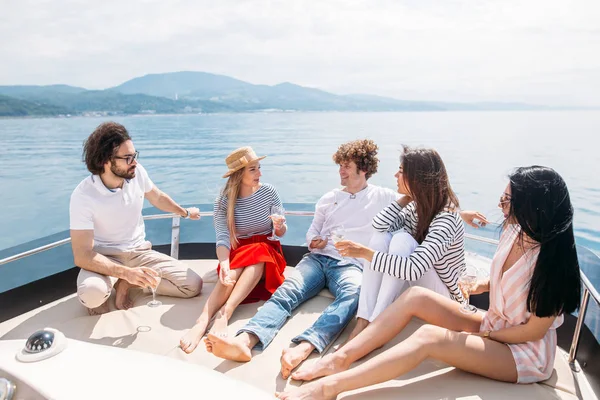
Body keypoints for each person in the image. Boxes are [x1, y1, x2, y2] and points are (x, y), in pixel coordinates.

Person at [277, 165, 581, 400]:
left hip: (522, 352)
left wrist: (487, 338)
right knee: (416, 297)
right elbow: (510, 279)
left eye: (507, 199)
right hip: (494, 324)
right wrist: (483, 285)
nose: (500, 203)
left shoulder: (551, 263)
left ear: (533, 207)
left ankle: (332, 387)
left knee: (431, 338)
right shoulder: (514, 233)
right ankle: (339, 360)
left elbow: (533, 330)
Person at [204, 139, 399, 379]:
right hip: (318, 259)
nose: (341, 171)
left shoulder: (384, 197)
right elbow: (312, 233)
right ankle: (246, 339)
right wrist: (314, 241)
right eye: (340, 166)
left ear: (364, 168)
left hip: (352, 264)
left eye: (346, 166)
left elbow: (415, 201)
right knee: (286, 293)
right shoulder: (329, 198)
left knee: (354, 295)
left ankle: (303, 347)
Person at [338, 145, 473, 342]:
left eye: (401, 172)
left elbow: (412, 270)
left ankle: (376, 326)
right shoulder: (415, 208)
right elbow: (379, 226)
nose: (395, 175)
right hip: (419, 288)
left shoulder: (447, 218)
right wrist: (405, 198)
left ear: (417, 178)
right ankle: (365, 320)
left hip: (447, 301)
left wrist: (364, 253)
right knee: (381, 238)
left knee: (401, 240)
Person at [70, 122, 203, 316]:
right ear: (105, 161)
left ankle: (126, 284)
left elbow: (157, 196)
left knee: (193, 286)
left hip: (139, 253)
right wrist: (124, 271)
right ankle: (122, 279)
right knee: (93, 296)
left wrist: (184, 212)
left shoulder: (136, 173)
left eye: (134, 155)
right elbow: (82, 255)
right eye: (127, 158)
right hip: (104, 256)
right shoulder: (83, 195)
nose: (134, 162)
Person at [180, 146, 287, 353]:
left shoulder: (269, 192)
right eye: (253, 170)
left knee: (259, 252)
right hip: (239, 253)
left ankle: (224, 314)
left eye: (259, 168)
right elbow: (222, 239)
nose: (260, 174)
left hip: (268, 252)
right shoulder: (223, 202)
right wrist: (224, 264)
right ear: (239, 175)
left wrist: (280, 227)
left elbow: (280, 232)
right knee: (234, 269)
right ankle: (203, 320)